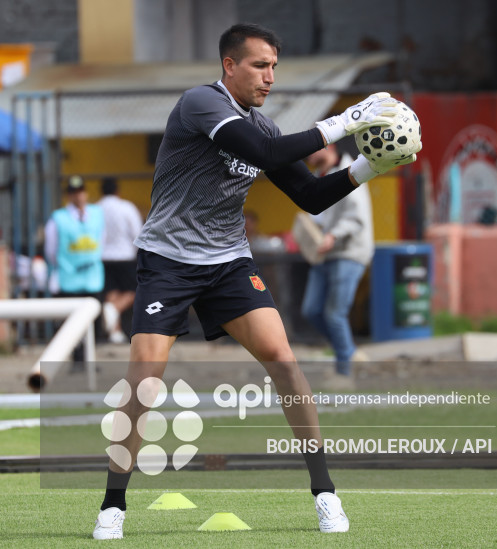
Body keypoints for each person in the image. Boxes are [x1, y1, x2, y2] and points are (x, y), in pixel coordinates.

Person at [93, 22, 418, 540]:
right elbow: (265, 156)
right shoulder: (200, 103)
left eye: (273, 67)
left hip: (227, 262)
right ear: (230, 66)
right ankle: (113, 505)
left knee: (284, 361)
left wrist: (368, 167)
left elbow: (309, 197)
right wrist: (348, 119)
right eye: (260, 65)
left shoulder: (262, 127)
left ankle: (326, 495)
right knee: (145, 377)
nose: (269, 77)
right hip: (169, 259)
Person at [300, 144, 373, 390]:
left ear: (329, 146)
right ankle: (350, 352)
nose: (307, 152)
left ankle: (344, 375)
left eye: (312, 146)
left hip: (349, 253)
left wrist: (333, 235)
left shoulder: (350, 171)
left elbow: (356, 217)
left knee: (334, 313)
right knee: (311, 310)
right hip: (326, 254)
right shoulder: (322, 175)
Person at [44, 175, 104, 362]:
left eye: (81, 191)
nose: (79, 196)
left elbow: (102, 240)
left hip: (92, 278)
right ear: (68, 196)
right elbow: (51, 250)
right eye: (74, 193)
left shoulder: (97, 214)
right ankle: (77, 359)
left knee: (94, 324)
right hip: (69, 279)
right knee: (70, 324)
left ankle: (88, 359)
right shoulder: (58, 219)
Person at [98, 177, 144, 344]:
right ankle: (114, 310)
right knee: (133, 291)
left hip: (103, 257)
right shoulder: (126, 207)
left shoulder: (96, 209)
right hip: (125, 257)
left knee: (112, 293)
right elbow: (137, 233)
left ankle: (115, 332)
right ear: (117, 191)